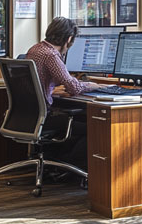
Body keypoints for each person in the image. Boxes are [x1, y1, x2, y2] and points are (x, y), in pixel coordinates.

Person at [24, 17, 104, 167]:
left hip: (28, 116)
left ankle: (58, 164)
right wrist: (92, 85)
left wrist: (52, 90)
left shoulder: (35, 49)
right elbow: (74, 87)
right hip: (43, 118)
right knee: (96, 128)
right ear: (68, 39)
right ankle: (68, 166)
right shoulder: (51, 55)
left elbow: (38, 81)